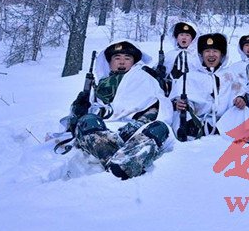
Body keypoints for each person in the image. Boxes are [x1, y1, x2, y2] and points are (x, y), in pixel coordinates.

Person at [66, 40, 173, 180]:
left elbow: (159, 107)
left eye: (127, 58)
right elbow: (76, 123)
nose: (122, 62)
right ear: (109, 62)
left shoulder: (144, 78)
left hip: (135, 132)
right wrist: (78, 109)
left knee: (159, 129)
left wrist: (137, 125)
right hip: (104, 132)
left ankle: (120, 164)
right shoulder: (100, 86)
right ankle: (124, 163)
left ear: (134, 61)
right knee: (87, 121)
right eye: (117, 58)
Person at [170, 33, 246, 140]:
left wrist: (240, 99)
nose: (211, 54)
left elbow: (240, 93)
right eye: (207, 51)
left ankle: (228, 134)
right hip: (197, 120)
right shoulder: (190, 76)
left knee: (242, 110)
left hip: (224, 120)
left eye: (215, 51)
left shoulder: (230, 75)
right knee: (181, 114)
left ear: (222, 55)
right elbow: (176, 99)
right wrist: (180, 104)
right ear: (201, 55)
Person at [158, 21, 200, 89]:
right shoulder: (170, 55)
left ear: (193, 39)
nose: (184, 37)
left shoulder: (197, 56)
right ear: (176, 37)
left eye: (187, 35)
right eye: (181, 34)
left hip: (192, 91)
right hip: (171, 91)